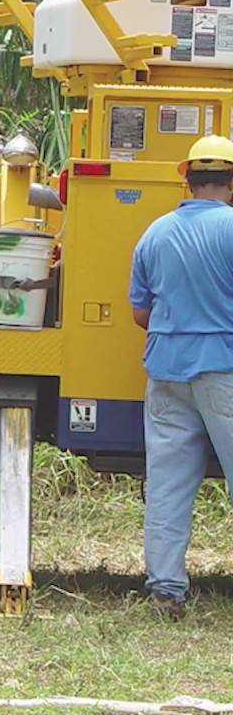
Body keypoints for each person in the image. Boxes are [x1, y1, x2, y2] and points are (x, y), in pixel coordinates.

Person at [129, 135, 233, 621]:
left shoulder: (154, 233)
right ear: (231, 183)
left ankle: (166, 592)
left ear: (187, 180)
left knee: (169, 484)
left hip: (165, 371)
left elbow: (140, 312)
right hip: (223, 370)